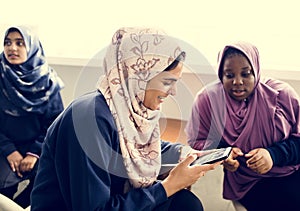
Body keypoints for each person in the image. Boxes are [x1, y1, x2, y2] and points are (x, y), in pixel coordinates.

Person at [30, 27, 221, 211]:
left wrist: (192, 155)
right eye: (167, 82)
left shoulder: (123, 111)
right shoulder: (88, 119)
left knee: (185, 203)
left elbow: (138, 147)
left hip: (114, 198)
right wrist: (168, 186)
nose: (173, 91)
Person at [185, 41, 300, 211]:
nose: (237, 82)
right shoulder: (209, 100)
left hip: (288, 170)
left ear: (256, 71)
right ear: (220, 75)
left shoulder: (281, 96)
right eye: (229, 75)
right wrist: (224, 154)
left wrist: (272, 155)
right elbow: (198, 142)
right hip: (247, 181)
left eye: (246, 74)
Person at [0, 25, 64, 208]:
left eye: (20, 43)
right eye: (7, 42)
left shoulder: (48, 81)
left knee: (51, 185)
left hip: (39, 148)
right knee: (3, 188)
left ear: (32, 47)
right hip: (5, 147)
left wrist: (34, 153)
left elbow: (55, 124)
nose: (12, 48)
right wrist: (9, 151)